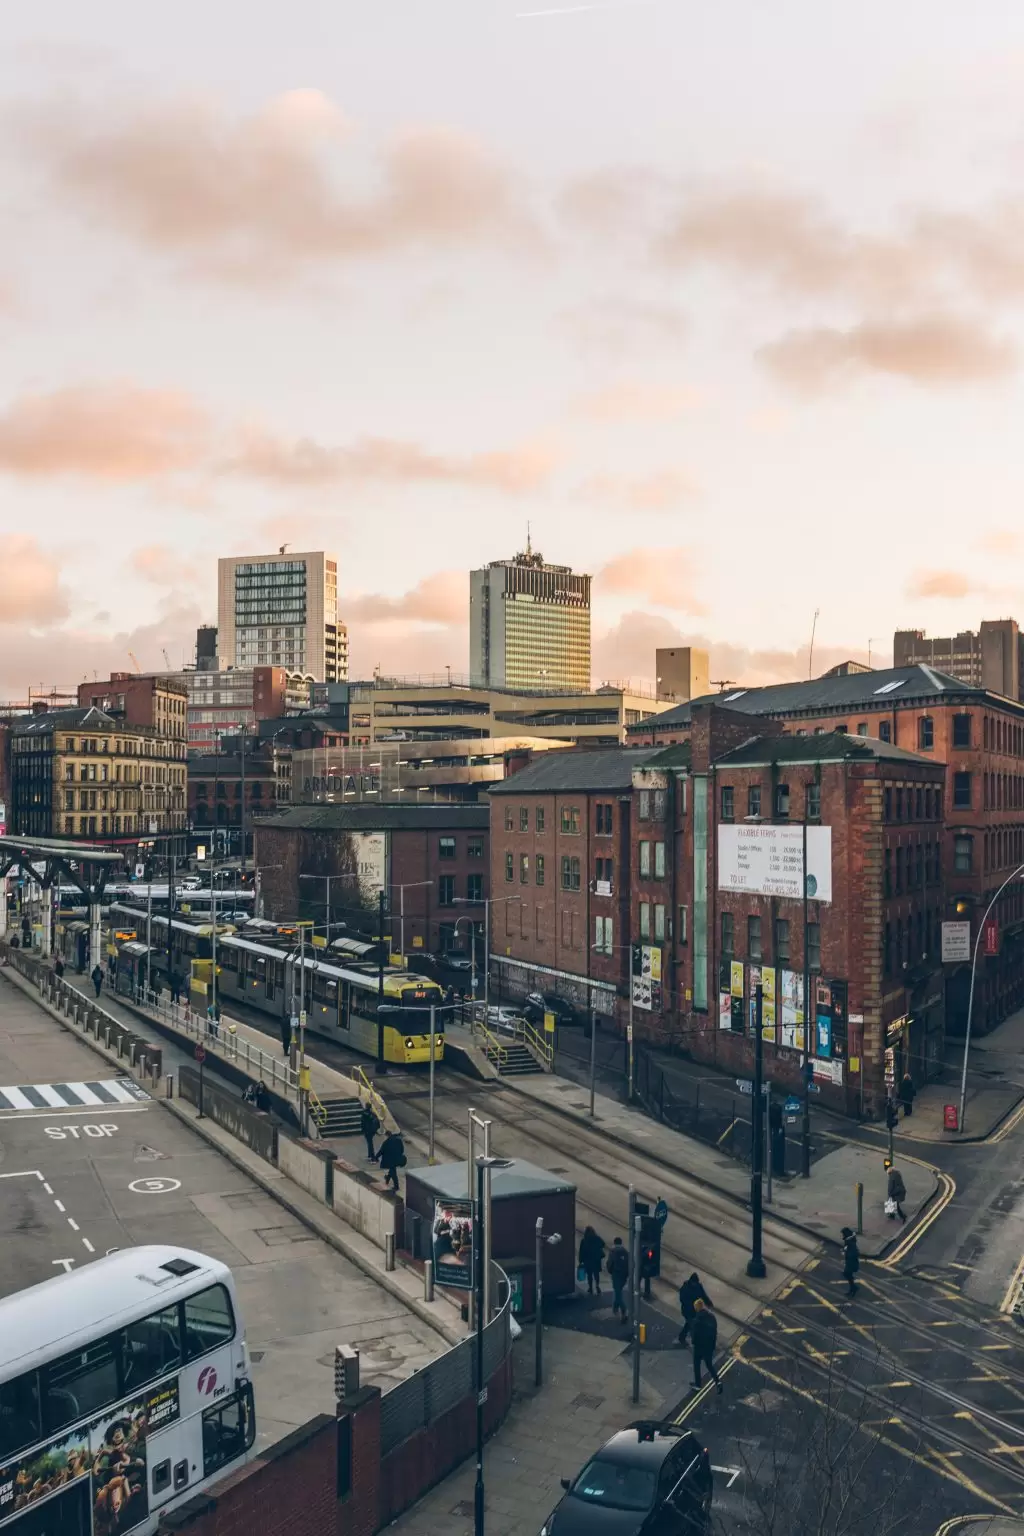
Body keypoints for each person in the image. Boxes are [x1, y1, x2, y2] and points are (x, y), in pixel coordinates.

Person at [691, 1299, 722, 1393]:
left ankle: (698, 1384)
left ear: (696, 1309)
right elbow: (714, 1331)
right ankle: (717, 1381)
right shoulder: (712, 1317)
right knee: (709, 1365)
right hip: (709, 1346)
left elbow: (695, 1335)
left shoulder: (697, 1320)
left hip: (699, 1347)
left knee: (697, 1364)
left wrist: (694, 1343)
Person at [677, 1272, 712, 1347]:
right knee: (692, 1325)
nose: (696, 1284)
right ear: (691, 1281)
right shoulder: (685, 1288)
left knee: (689, 1325)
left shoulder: (698, 1286)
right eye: (695, 1283)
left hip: (695, 1310)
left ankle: (682, 1337)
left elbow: (703, 1295)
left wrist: (709, 1303)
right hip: (687, 1311)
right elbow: (682, 1299)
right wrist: (691, 1305)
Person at [607, 1236, 630, 1322]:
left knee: (618, 1293)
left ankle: (623, 1309)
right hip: (624, 1275)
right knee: (618, 1291)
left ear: (614, 1243)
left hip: (616, 1275)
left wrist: (611, 1271)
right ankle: (615, 1308)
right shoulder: (625, 1252)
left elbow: (610, 1263)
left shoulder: (613, 1252)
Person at [578, 1226, 606, 1295]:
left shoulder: (584, 1240)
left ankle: (590, 1288)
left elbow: (581, 1251)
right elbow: (603, 1244)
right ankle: (597, 1285)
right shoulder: (597, 1238)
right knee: (596, 1274)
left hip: (587, 1260)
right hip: (596, 1259)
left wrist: (580, 1260)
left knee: (589, 1275)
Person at [769, 1097, 786, 1176]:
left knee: (773, 1149)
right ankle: (778, 1170)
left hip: (773, 1128)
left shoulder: (770, 1107)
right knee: (777, 1150)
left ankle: (775, 1169)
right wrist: (781, 1127)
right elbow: (780, 1118)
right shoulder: (778, 1107)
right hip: (777, 1128)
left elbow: (770, 1119)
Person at [841, 1226, 860, 1297]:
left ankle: (853, 1288)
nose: (842, 1235)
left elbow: (854, 1252)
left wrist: (846, 1252)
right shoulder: (849, 1240)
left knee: (846, 1273)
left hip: (851, 1262)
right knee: (847, 1274)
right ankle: (853, 1288)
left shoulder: (850, 1241)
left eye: (843, 1234)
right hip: (850, 1261)